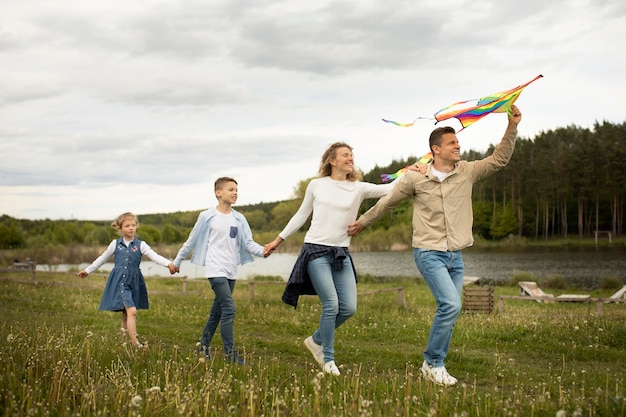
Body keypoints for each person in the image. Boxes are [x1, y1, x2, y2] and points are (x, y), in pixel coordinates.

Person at [348, 105, 523, 386]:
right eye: (452, 143)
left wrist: (512, 127)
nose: (458, 146)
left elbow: (499, 160)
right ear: (436, 149)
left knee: (451, 311)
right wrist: (363, 223)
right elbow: (387, 202)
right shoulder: (416, 178)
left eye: (458, 142)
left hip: (456, 256)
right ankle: (433, 363)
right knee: (451, 305)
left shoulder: (467, 171)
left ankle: (432, 363)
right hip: (429, 253)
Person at [265, 142, 424, 376]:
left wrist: (413, 170)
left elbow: (390, 189)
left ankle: (316, 340)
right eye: (345, 155)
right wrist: (277, 241)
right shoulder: (316, 185)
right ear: (332, 160)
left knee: (348, 308)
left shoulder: (357, 188)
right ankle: (328, 359)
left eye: (352, 155)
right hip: (316, 250)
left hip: (340, 252)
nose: (350, 158)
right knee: (331, 305)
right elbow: (301, 215)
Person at [172, 177, 267, 365]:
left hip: (231, 269)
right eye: (231, 189)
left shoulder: (239, 218)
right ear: (218, 193)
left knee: (218, 311)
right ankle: (230, 355)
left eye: (236, 190)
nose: (235, 193)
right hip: (215, 269)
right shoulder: (207, 216)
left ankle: (203, 345)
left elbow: (248, 243)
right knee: (229, 309)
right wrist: (177, 261)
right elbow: (191, 241)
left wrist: (264, 252)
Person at [78, 212, 176, 348]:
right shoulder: (115, 244)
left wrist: (168, 264)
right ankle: (135, 343)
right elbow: (102, 258)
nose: (131, 228)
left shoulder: (141, 245)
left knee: (126, 314)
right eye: (127, 225)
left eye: (133, 225)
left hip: (134, 282)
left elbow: (155, 256)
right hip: (119, 282)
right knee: (132, 311)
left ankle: (123, 341)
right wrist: (88, 270)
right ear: (120, 228)